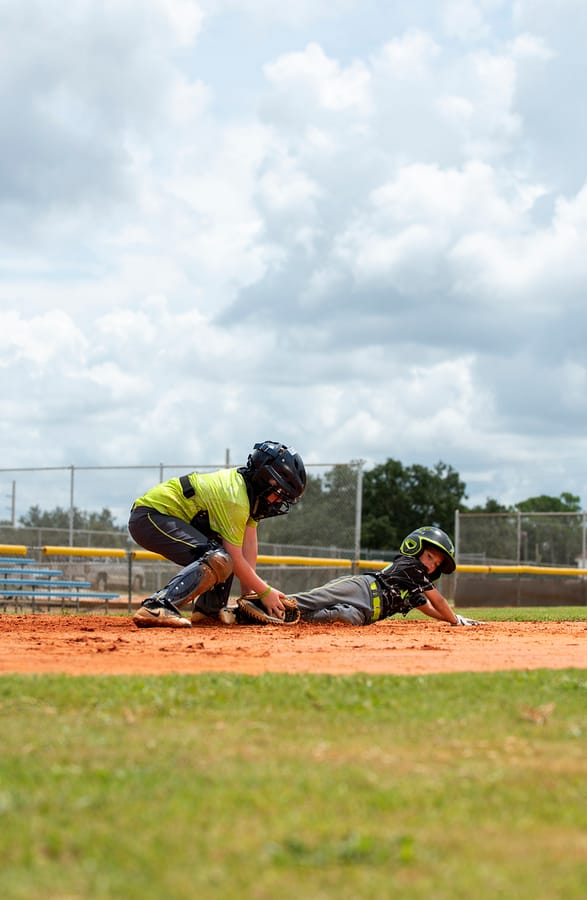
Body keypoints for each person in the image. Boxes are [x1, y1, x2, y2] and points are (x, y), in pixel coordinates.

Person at [129, 441, 306, 628]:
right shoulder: (236, 499)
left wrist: (250, 596)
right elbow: (236, 559)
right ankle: (158, 605)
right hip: (151, 517)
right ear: (264, 480)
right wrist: (265, 591)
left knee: (223, 552)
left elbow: (249, 546)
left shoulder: (250, 495)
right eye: (279, 493)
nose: (278, 502)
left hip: (162, 517)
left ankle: (209, 612)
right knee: (221, 558)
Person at [289, 525, 480, 627]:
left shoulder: (413, 589)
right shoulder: (410, 565)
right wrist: (455, 621)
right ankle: (269, 603)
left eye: (436, 564)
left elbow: (429, 608)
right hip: (362, 588)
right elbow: (437, 601)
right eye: (430, 556)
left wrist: (453, 617)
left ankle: (284, 617)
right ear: (416, 548)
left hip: (367, 614)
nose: (431, 565)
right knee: (313, 600)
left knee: (345, 617)